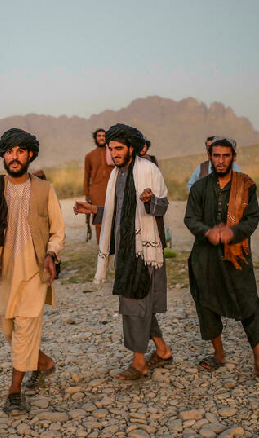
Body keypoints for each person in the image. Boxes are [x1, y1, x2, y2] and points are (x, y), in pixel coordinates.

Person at [0, 128, 65, 414]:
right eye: (10, 151)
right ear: (3, 154)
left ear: (30, 155)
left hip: (35, 272)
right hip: (4, 273)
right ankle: (44, 363)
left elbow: (57, 231)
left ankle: (14, 392)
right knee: (8, 329)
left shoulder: (43, 188)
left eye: (21, 151)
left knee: (26, 328)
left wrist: (52, 254)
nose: (15, 157)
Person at [74, 123, 173, 380]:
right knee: (142, 303)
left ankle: (138, 363)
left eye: (119, 148)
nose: (114, 153)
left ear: (131, 148)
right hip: (126, 251)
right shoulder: (116, 176)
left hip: (145, 250)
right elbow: (119, 215)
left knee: (133, 304)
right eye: (111, 148)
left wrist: (151, 200)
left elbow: (163, 206)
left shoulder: (149, 170)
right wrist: (94, 210)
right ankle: (161, 350)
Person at [184, 137, 259, 388]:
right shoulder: (199, 188)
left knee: (249, 302)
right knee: (206, 302)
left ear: (233, 157)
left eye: (225, 156)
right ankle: (219, 354)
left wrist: (232, 233)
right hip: (204, 255)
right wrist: (208, 232)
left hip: (237, 255)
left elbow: (252, 219)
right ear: (210, 157)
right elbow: (190, 218)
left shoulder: (246, 186)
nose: (220, 160)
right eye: (216, 156)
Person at [83, 128, 114, 243]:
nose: (101, 138)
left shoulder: (112, 153)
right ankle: (101, 245)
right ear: (95, 138)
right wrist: (87, 193)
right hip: (96, 191)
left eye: (104, 136)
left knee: (113, 217)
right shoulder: (89, 156)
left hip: (112, 189)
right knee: (99, 220)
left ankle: (112, 245)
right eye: (99, 136)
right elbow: (86, 175)